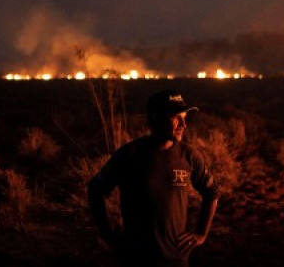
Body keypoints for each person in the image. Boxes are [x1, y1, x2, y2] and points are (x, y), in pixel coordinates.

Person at [88, 90, 220, 267]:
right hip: (136, 257)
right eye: (176, 117)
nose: (184, 124)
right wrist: (107, 234)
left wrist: (201, 233)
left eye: (184, 118)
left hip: (176, 258)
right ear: (156, 118)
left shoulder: (189, 155)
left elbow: (212, 192)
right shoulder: (130, 154)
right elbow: (95, 189)